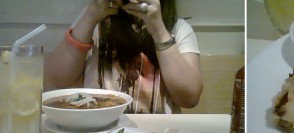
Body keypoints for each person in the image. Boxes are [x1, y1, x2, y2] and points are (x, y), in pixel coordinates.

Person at [45, 0, 203, 114]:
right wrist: (90, 15)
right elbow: (59, 80)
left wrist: (159, 30)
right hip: (98, 130)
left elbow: (189, 98)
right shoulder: (96, 21)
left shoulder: (179, 28)